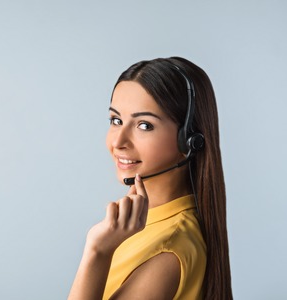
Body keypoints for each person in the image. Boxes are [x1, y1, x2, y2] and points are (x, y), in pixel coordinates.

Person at [69, 57, 233, 299]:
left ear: (189, 140)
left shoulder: (169, 250)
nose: (118, 142)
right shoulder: (138, 223)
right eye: (116, 120)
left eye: (144, 125)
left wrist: (97, 252)